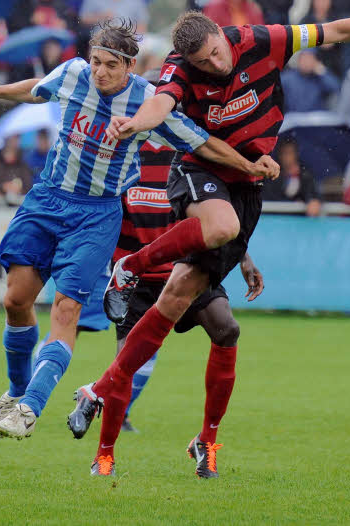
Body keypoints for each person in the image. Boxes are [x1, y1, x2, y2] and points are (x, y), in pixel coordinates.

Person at [84, 0, 350, 477]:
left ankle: (192, 437)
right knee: (220, 227)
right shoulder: (182, 69)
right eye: (202, 62)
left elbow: (339, 30)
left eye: (216, 54)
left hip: (248, 184)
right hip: (202, 169)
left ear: (223, 34)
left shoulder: (264, 40)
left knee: (209, 316)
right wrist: (135, 123)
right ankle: (129, 270)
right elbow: (160, 101)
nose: (214, 65)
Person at [0, 21, 274, 445]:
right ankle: (15, 392)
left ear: (129, 65)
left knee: (66, 310)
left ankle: (30, 408)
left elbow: (201, 142)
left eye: (111, 65)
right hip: (47, 198)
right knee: (15, 300)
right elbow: (41, 85)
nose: (100, 72)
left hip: (96, 215)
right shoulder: (73, 74)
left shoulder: (150, 102)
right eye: (96, 62)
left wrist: (247, 165)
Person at [68, 138, 263, 477]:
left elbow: (214, 214)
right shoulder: (125, 154)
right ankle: (104, 457)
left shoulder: (192, 154)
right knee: (126, 365)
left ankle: (206, 442)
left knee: (227, 329)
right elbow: (102, 213)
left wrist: (244, 259)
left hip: (187, 266)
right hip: (138, 279)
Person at [262, 139, 321, 216]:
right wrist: (284, 178)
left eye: (290, 153)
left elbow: (312, 195)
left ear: (296, 154)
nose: (287, 157)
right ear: (280, 155)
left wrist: (312, 200)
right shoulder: (270, 173)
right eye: (285, 153)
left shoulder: (305, 175)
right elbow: (269, 197)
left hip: (297, 221)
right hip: (276, 220)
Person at [279, 47, 339, 113]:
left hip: (316, 119)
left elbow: (336, 89)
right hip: (293, 118)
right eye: (303, 58)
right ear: (298, 60)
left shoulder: (320, 78)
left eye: (310, 59)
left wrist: (322, 72)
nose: (306, 62)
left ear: (315, 61)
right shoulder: (287, 78)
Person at [303, 0, 342, 78]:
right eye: (319, 0)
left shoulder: (336, 20)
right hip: (311, 59)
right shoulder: (306, 21)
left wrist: (334, 41)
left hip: (332, 63)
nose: (322, 3)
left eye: (325, 0)